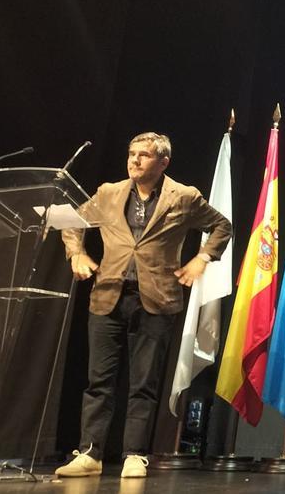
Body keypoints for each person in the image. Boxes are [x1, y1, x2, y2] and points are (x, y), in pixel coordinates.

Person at [55, 132, 232, 478]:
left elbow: (221, 227)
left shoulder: (183, 196)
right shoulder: (109, 193)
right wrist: (76, 253)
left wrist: (202, 258)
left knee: (144, 383)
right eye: (131, 154)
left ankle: (135, 455)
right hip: (108, 295)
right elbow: (71, 223)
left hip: (157, 298)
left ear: (163, 162)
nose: (134, 160)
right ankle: (90, 454)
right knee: (98, 381)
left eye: (144, 155)